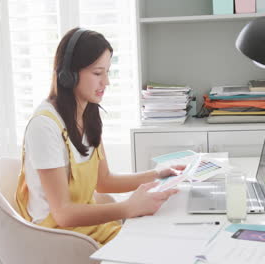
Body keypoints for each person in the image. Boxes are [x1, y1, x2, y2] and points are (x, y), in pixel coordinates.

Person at [15, 28, 182, 245]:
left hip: (88, 228)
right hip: (58, 237)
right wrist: (129, 207)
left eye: (107, 72)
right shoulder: (44, 127)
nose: (106, 82)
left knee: (163, 238)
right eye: (97, 73)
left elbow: (104, 182)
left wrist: (157, 175)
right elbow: (63, 214)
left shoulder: (88, 114)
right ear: (69, 75)